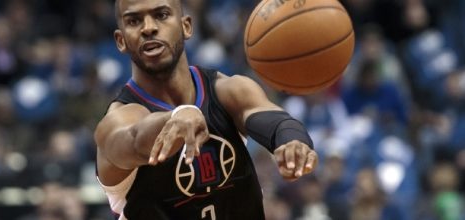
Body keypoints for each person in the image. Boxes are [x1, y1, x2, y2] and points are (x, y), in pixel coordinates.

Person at [94, 0, 318, 219]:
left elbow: (278, 122)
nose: (149, 28)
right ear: (121, 40)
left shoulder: (227, 90)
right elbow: (134, 139)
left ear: (186, 26)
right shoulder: (117, 120)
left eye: (161, 15)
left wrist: (292, 142)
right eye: (134, 21)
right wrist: (176, 116)